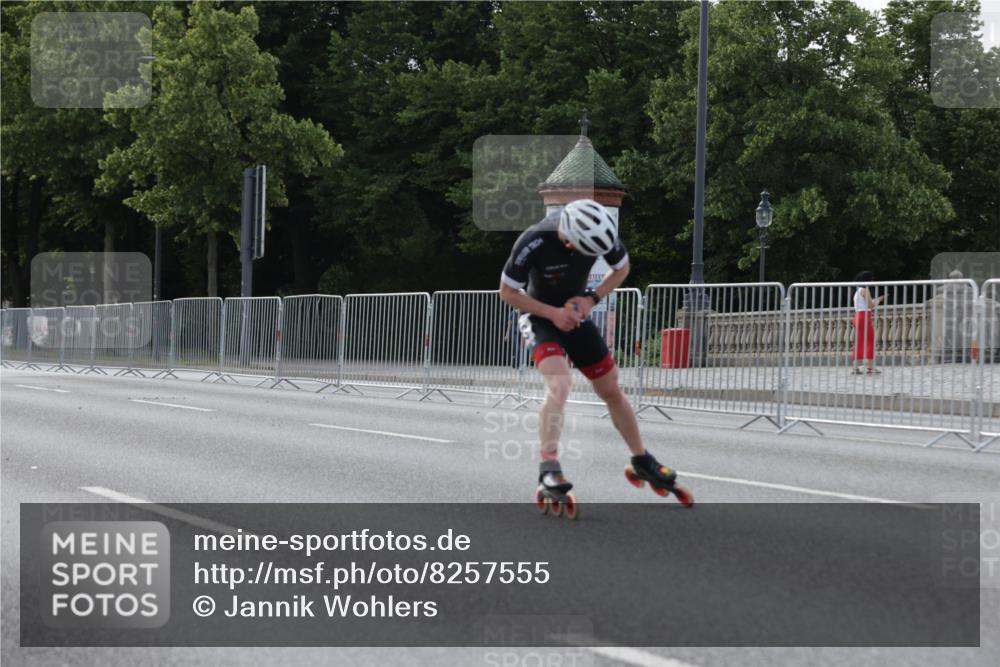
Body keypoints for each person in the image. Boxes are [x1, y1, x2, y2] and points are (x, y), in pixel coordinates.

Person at [499, 199, 689, 510]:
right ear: (569, 239)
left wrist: (591, 298)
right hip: (538, 315)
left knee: (611, 389)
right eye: (585, 251)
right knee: (560, 386)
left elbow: (622, 267)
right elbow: (507, 292)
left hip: (575, 315)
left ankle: (641, 458)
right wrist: (552, 313)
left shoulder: (600, 228)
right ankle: (548, 468)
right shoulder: (533, 239)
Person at [852, 270, 884, 374]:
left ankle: (855, 367)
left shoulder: (857, 291)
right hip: (864, 317)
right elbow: (870, 305)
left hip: (857, 316)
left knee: (859, 342)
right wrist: (878, 301)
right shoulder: (865, 290)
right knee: (870, 341)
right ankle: (870, 368)